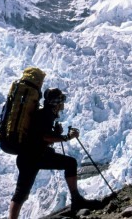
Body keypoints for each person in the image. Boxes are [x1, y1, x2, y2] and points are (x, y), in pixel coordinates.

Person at [8, 88, 102, 218]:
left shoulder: (45, 113)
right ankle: (76, 200)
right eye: (61, 101)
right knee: (70, 163)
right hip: (33, 157)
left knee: (21, 193)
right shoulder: (45, 115)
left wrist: (56, 133)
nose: (63, 105)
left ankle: (76, 200)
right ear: (57, 103)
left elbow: (39, 136)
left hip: (29, 157)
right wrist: (66, 137)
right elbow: (44, 137)